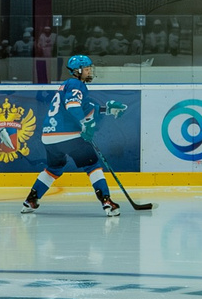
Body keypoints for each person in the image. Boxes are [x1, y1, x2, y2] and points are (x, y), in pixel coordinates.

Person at [19, 53, 124, 218]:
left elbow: (86, 107)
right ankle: (107, 202)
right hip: (67, 135)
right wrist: (84, 123)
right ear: (78, 71)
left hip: (49, 137)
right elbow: (73, 105)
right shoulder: (76, 84)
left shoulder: (67, 86)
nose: (90, 71)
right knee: (92, 166)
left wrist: (107, 109)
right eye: (87, 69)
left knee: (54, 168)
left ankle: (30, 201)